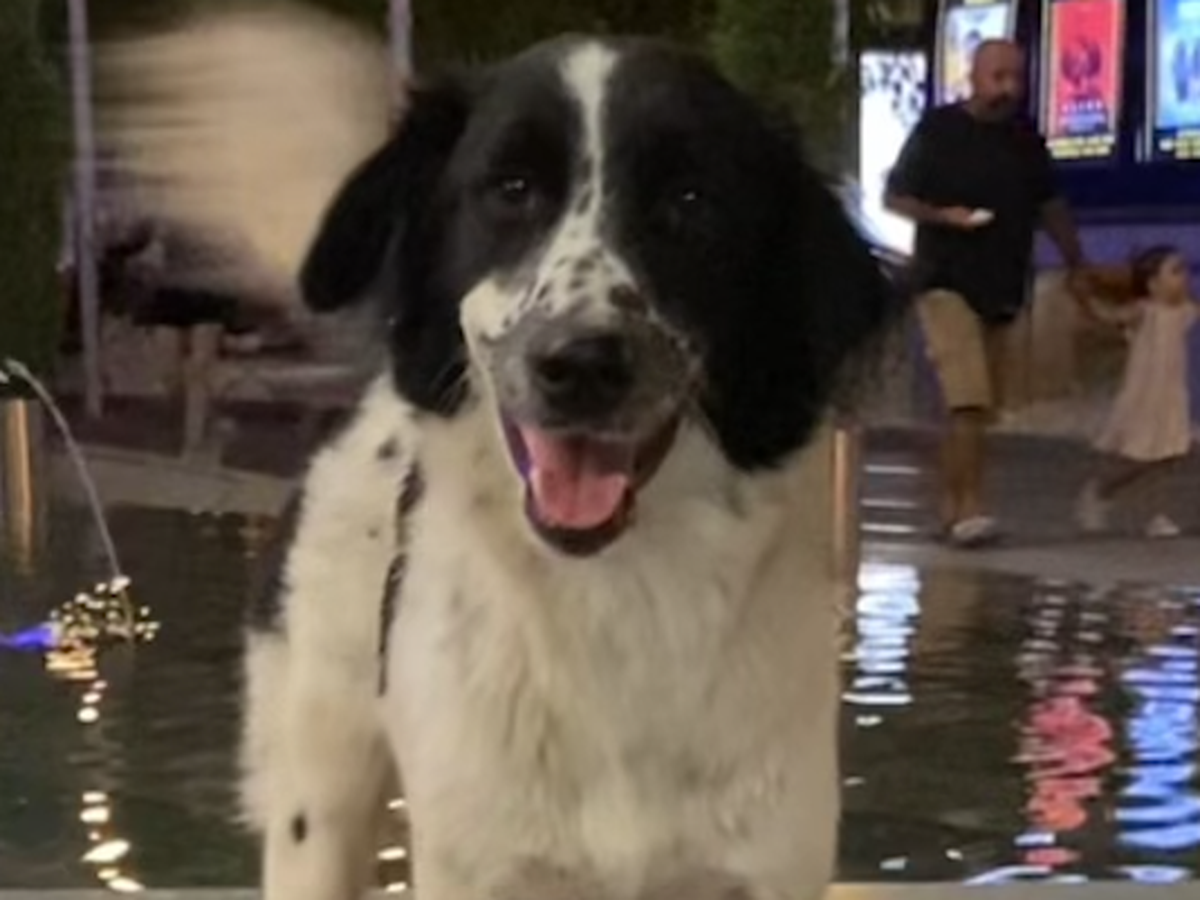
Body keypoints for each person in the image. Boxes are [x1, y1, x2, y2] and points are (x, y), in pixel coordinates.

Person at [885, 38, 1089, 547]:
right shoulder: (939, 130)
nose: (1007, 89)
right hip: (944, 282)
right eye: (998, 77)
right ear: (973, 77)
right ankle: (969, 509)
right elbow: (897, 196)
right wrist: (944, 216)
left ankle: (952, 506)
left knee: (980, 407)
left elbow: (1050, 203)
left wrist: (1076, 261)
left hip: (1001, 285)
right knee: (968, 398)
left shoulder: (1024, 138)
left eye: (1015, 78)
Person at [1076, 245, 1196, 538]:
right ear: (1153, 284)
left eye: (1184, 270)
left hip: (1172, 395)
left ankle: (1156, 514)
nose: (1184, 277)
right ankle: (1102, 489)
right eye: (1175, 271)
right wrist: (1087, 299)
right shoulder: (1145, 311)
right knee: (1145, 458)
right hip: (1146, 396)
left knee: (1168, 457)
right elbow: (1109, 317)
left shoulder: (1186, 310)